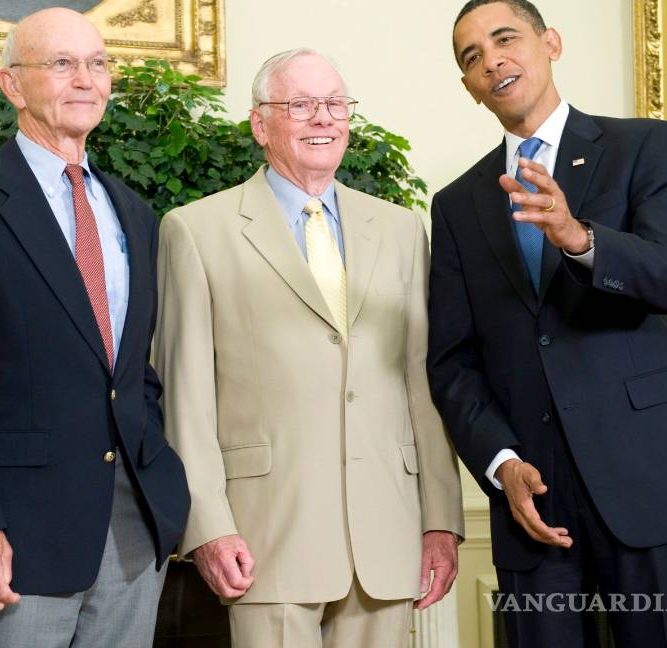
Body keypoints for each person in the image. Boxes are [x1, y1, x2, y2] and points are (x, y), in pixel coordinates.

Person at [428, 2, 667, 646]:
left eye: (505, 39)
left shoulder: (643, 145)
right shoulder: (456, 205)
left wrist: (578, 237)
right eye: (472, 57)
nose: (492, 61)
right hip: (533, 502)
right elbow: (453, 362)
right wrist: (501, 461)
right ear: (467, 88)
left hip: (652, 479)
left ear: (551, 44)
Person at [153, 48, 465, 648]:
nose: (323, 118)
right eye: (300, 105)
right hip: (265, 535)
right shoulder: (196, 230)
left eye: (334, 104)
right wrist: (207, 525)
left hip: (387, 534)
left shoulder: (401, 229)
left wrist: (441, 521)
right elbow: (185, 397)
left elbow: (423, 385)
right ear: (260, 124)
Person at [0, 8, 189, 647]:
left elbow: (132, 371)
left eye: (97, 63)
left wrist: (163, 491)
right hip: (14, 538)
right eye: (61, 64)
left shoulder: (135, 211)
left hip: (133, 532)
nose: (84, 79)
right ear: (12, 85)